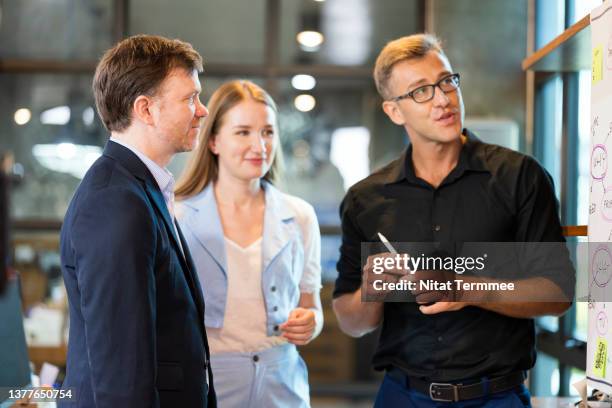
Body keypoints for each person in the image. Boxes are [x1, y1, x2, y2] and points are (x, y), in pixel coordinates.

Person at [332, 33, 574, 407]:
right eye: (420, 91)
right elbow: (353, 323)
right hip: (402, 396)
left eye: (447, 81)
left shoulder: (519, 176)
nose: (443, 99)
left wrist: (465, 288)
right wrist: (371, 289)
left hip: (498, 396)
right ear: (394, 111)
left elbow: (557, 292)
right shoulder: (366, 200)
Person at [59, 34, 216, 407]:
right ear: (146, 110)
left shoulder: (139, 188)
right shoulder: (116, 201)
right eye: (190, 98)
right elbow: (121, 369)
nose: (202, 110)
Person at [175, 80, 323, 408]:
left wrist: (311, 323)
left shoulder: (300, 216)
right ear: (213, 140)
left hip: (283, 383)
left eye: (268, 132)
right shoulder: (178, 215)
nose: (259, 146)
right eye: (243, 132)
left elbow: (312, 306)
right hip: (208, 381)